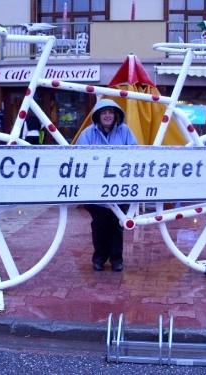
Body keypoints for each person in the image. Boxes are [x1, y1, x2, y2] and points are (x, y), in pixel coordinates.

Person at [76, 99, 138, 272]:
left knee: (117, 226)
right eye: (103, 112)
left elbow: (135, 154)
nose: (107, 115)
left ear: (116, 114)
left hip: (120, 190)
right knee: (99, 226)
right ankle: (99, 259)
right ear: (98, 115)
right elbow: (81, 159)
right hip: (95, 191)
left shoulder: (125, 131)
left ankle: (117, 260)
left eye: (110, 112)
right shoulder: (88, 133)